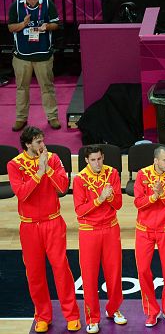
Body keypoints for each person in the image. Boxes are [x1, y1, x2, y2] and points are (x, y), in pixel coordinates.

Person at [7, 126, 81, 333]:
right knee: (35, 273)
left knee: (61, 270)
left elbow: (62, 188)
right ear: (28, 144)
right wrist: (39, 172)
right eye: (38, 142)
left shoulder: (53, 159)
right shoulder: (14, 165)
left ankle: (72, 315)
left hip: (53, 222)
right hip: (29, 226)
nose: (43, 145)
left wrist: (47, 168)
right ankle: (42, 315)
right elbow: (22, 194)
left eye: (42, 140)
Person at [73, 145, 126, 333]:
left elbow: (118, 204)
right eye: (93, 160)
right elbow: (79, 211)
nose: (97, 163)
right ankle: (92, 317)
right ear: (86, 160)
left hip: (111, 229)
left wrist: (109, 198)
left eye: (99, 159)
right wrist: (100, 199)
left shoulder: (112, 173)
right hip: (89, 231)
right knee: (89, 276)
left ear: (103, 157)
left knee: (114, 273)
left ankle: (114, 309)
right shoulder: (79, 179)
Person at [134, 145, 165, 327]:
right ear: (155, 160)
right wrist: (154, 196)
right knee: (143, 270)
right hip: (144, 229)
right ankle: (152, 311)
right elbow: (138, 203)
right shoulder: (142, 174)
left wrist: (161, 194)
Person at [7, 0, 60, 132]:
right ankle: (21, 118)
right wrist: (23, 24)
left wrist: (47, 26)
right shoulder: (16, 5)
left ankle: (52, 117)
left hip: (43, 54)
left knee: (47, 87)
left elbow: (56, 24)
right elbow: (10, 28)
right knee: (22, 88)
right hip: (22, 56)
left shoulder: (47, 3)